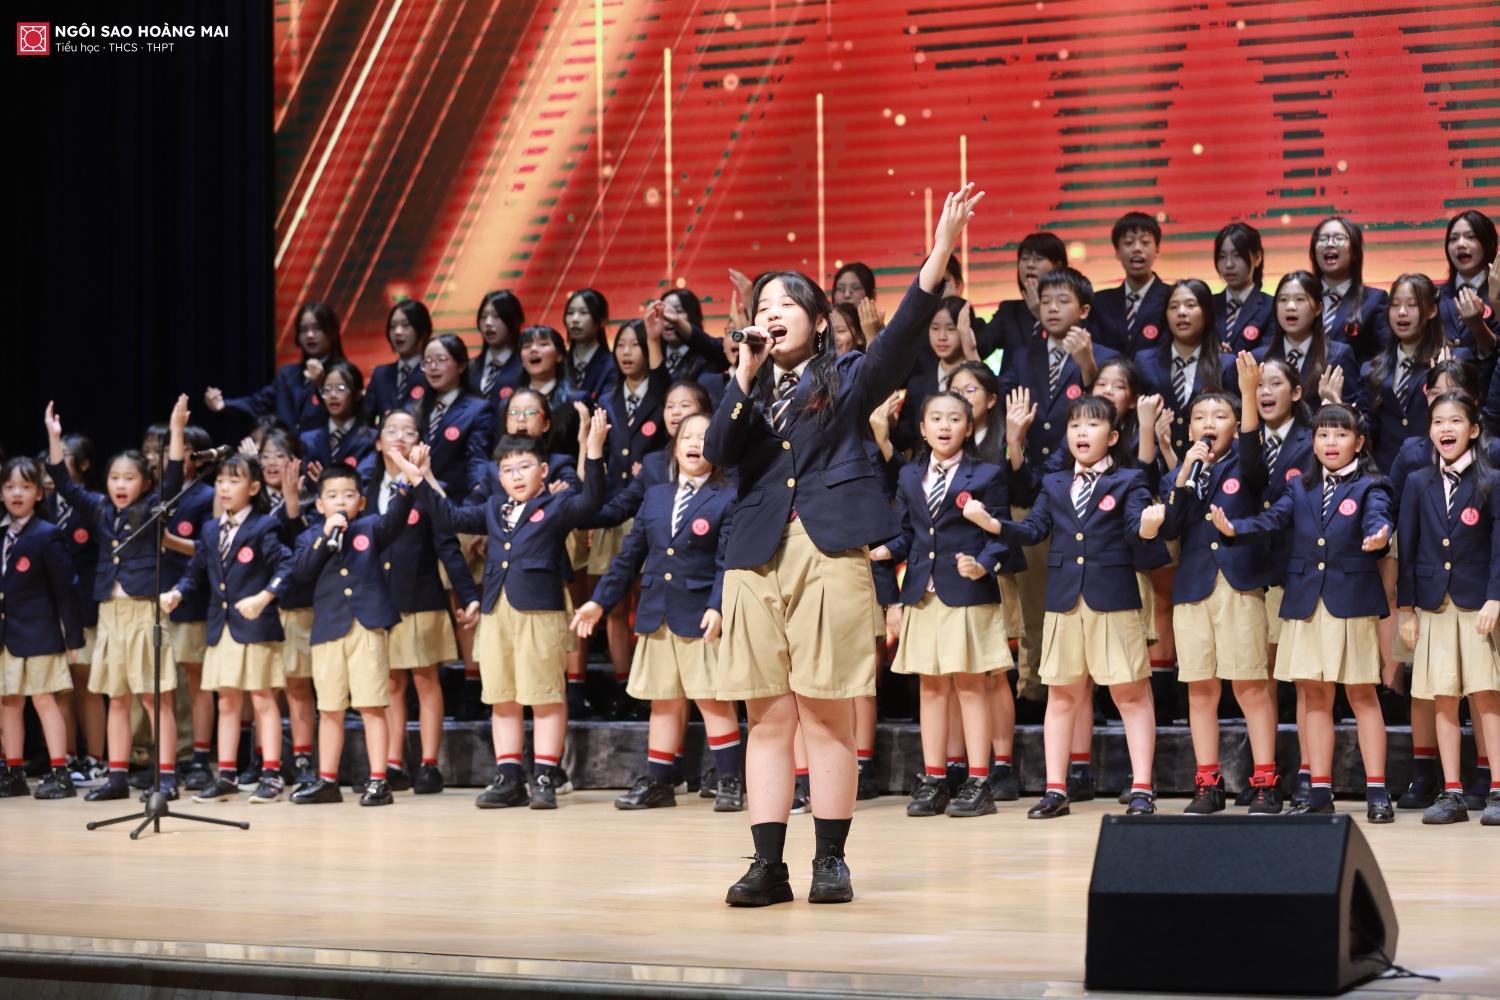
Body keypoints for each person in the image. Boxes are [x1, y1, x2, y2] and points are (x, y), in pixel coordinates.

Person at [707, 183, 982, 907]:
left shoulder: (850, 375)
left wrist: (940, 251)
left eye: (785, 304)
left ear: (818, 317)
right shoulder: (744, 388)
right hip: (753, 556)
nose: (771, 314)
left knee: (826, 710)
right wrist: (742, 374)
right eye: (762, 306)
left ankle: (830, 858)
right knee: (766, 716)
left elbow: (902, 336)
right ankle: (768, 865)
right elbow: (719, 453)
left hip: (827, 550)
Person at [981, 394, 1165, 818]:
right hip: (1063, 602)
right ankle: (1055, 790)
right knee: (1062, 696)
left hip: (1113, 601)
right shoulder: (1054, 482)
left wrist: (1148, 528)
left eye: (1093, 425)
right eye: (1075, 425)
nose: (1082, 432)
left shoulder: (1129, 480)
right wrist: (993, 524)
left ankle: (1142, 788)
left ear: (1113, 436)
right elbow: (1033, 530)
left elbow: (1136, 531)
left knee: (1131, 694)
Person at [1212, 403, 1395, 821]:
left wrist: (1379, 537)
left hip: (1351, 602)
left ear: (1359, 443)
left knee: (1362, 694)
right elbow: (1272, 519)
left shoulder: (1372, 485)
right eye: (1323, 434)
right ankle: (1320, 790)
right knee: (1314, 695)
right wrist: (1236, 529)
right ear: (1313, 443)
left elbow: (1378, 520)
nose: (1331, 442)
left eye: (1341, 434)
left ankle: (1377, 791)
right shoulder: (1300, 487)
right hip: (1306, 602)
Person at [419, 412, 610, 810]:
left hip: (540, 612)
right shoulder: (492, 507)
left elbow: (591, 501)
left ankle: (544, 775)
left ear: (543, 471)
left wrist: (592, 452)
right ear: (499, 477)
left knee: (544, 696)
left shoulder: (556, 505)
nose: (516, 476)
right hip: (496, 612)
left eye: (524, 467)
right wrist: (423, 477)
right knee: (502, 696)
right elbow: (450, 516)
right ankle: (509, 777)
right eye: (507, 470)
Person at [573, 413, 745, 812]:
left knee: (712, 700)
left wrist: (717, 606)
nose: (695, 443)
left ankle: (729, 780)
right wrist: (599, 602)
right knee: (663, 701)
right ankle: (658, 782)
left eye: (705, 437)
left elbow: (729, 563)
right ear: (674, 446)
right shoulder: (655, 496)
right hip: (657, 613)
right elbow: (628, 557)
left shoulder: (728, 496)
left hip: (700, 616)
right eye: (688, 436)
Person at [46, 396, 190, 801]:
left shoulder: (153, 509)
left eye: (129, 478)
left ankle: (165, 777)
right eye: (114, 477)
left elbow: (174, 479)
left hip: (145, 612)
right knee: (118, 698)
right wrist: (54, 439)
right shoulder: (98, 509)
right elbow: (63, 483)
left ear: (144, 482)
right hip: (110, 614)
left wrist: (177, 431)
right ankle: (117, 778)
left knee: (154, 697)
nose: (120, 485)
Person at [878, 392, 1010, 819]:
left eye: (954, 419)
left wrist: (983, 564)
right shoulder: (909, 475)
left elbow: (1001, 534)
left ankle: (979, 780)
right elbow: (906, 535)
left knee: (971, 686)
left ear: (968, 428)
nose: (944, 426)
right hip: (922, 594)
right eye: (936, 418)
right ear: (922, 428)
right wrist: (884, 552)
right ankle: (934, 778)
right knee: (931, 688)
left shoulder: (987, 474)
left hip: (968, 593)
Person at [287, 454, 425, 807]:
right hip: (328, 630)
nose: (341, 502)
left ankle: (379, 779)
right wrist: (325, 535)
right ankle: (327, 781)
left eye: (349, 495)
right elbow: (302, 571)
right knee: (330, 708)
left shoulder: (370, 528)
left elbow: (396, 519)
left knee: (372, 704)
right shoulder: (310, 536)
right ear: (320, 504)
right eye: (332, 496)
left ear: (361, 502)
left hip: (367, 626)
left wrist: (406, 484)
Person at [160, 453, 295, 804]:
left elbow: (287, 564)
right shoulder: (211, 528)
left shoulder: (264, 526)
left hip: (256, 627)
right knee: (227, 702)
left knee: (263, 698)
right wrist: (177, 593)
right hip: (222, 628)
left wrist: (264, 597)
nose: (224, 487)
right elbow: (196, 571)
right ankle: (227, 776)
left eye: (234, 481)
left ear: (253, 487)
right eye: (220, 480)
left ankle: (271, 775)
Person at [1395, 391, 1500, 825]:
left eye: (1455, 421)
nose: (1446, 429)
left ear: (1473, 430)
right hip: (1434, 604)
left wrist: (1496, 596)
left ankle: (1497, 790)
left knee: (1486, 693)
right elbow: (1408, 547)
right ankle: (1452, 792)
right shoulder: (1418, 482)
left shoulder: (1492, 480)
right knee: (1443, 695)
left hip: (1479, 605)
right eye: (1438, 422)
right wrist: (1406, 608)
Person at [0, 457, 84, 799]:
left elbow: (67, 588)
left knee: (44, 699)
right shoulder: (2, 533)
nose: (16, 493)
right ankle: (14, 772)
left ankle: (61, 773)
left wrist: (73, 637)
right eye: (9, 487)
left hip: (40, 633)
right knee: (8, 701)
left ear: (38, 493)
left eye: (25, 486)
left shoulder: (47, 534)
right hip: (7, 635)